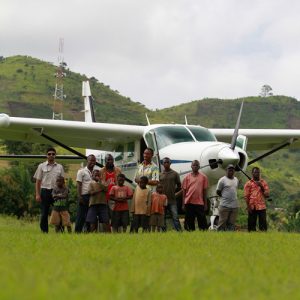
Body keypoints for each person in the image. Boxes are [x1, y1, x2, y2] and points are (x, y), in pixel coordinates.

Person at [34, 147, 65, 233]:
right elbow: (38, 181)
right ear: (46, 156)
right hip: (45, 192)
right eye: (49, 154)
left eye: (53, 154)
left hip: (57, 192)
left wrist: (63, 193)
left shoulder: (60, 167)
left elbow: (62, 182)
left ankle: (60, 231)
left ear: (55, 156)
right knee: (44, 213)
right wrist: (37, 194)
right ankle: (44, 232)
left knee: (59, 212)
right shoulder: (41, 166)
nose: (51, 155)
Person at [182, 160, 208, 231]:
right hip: (189, 202)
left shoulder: (203, 177)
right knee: (189, 222)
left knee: (202, 222)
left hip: (199, 203)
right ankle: (191, 234)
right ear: (191, 166)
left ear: (199, 167)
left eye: (197, 165)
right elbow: (184, 191)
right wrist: (183, 204)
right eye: (194, 165)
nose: (195, 166)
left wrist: (205, 204)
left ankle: (203, 234)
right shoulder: (187, 177)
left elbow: (205, 191)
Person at [75, 154, 97, 233]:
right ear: (87, 161)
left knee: (90, 216)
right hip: (84, 196)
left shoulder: (95, 172)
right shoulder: (81, 171)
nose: (92, 162)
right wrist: (80, 196)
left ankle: (87, 232)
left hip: (93, 197)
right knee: (81, 216)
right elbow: (79, 184)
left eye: (94, 161)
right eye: (91, 160)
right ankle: (77, 232)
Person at [100, 153, 122, 231]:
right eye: (108, 160)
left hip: (114, 197)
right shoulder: (101, 171)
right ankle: (105, 232)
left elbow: (121, 182)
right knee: (104, 216)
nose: (110, 161)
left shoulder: (118, 170)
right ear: (105, 161)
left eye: (112, 159)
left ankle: (116, 231)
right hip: (104, 197)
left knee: (115, 215)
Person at [159, 157, 182, 231]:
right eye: (164, 162)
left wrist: (176, 194)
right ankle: (163, 232)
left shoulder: (175, 174)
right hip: (162, 200)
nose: (166, 164)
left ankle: (179, 232)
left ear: (170, 163)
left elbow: (179, 186)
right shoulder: (160, 174)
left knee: (175, 217)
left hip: (172, 200)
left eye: (167, 162)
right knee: (162, 217)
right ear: (162, 164)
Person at [244, 167, 270, 232]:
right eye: (255, 172)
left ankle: (263, 237)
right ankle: (252, 237)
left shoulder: (263, 182)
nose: (257, 174)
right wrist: (248, 206)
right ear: (252, 173)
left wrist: (261, 186)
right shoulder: (248, 183)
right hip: (252, 206)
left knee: (263, 224)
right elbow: (246, 196)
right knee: (251, 224)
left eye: (258, 172)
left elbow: (267, 195)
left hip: (261, 206)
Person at [216, 164, 239, 231]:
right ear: (226, 171)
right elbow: (218, 191)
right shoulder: (222, 180)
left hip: (234, 206)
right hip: (224, 205)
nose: (231, 171)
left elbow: (234, 189)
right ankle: (220, 238)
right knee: (222, 223)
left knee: (231, 223)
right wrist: (224, 197)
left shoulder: (236, 179)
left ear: (234, 171)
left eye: (232, 170)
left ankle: (230, 238)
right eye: (229, 170)